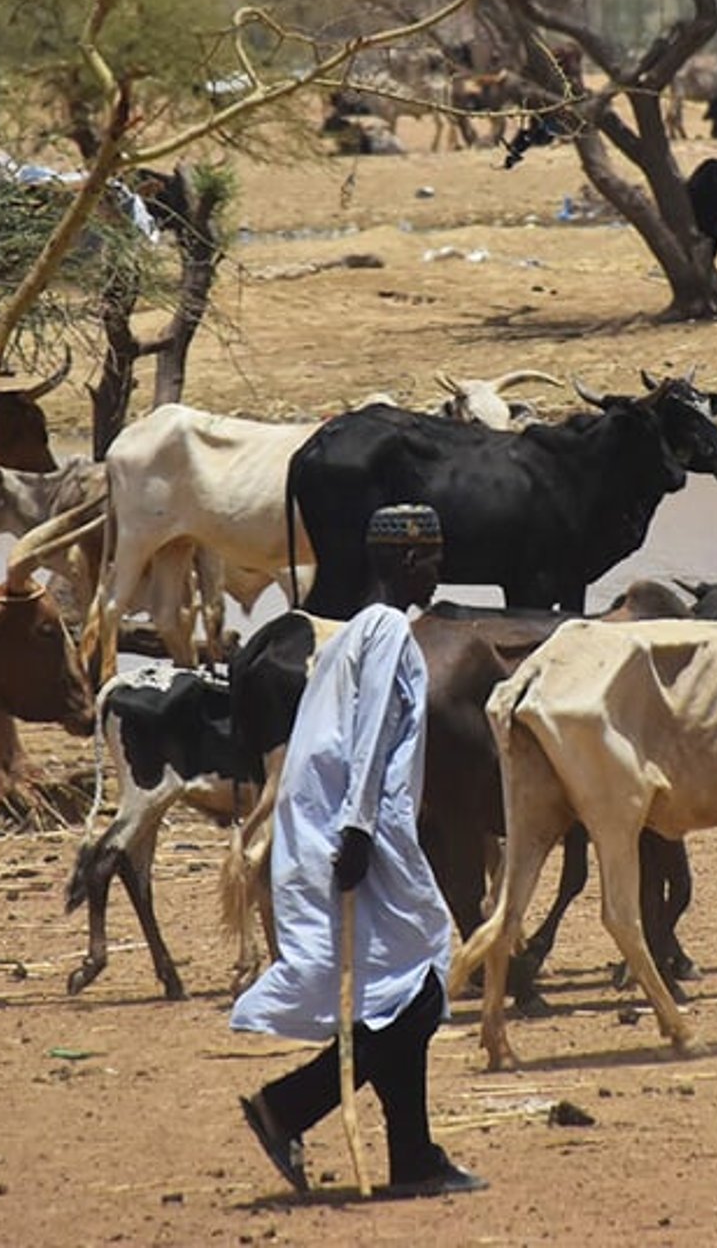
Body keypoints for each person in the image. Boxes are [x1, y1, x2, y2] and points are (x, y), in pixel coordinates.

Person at [232, 503, 484, 1200]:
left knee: (393, 990)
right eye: (431, 557)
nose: (439, 569)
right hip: (365, 831)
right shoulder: (387, 633)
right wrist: (361, 829)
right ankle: (289, 1105)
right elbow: (369, 735)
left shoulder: (348, 634)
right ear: (407, 562)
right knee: (424, 983)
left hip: (344, 826)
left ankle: (413, 1156)